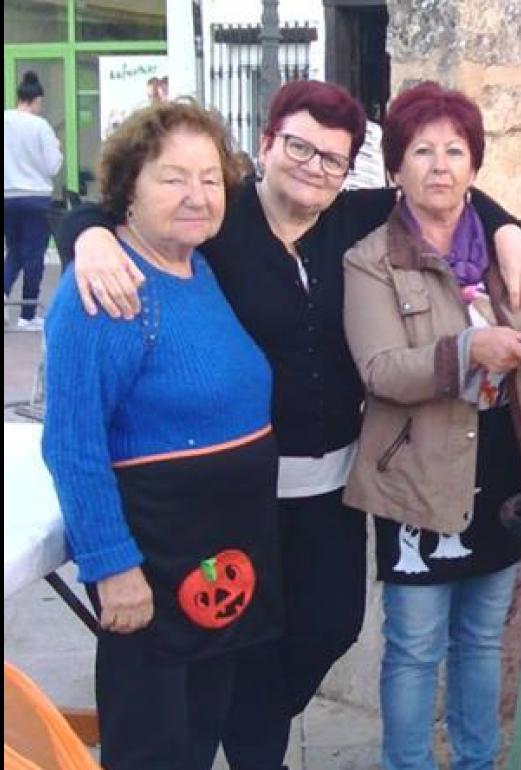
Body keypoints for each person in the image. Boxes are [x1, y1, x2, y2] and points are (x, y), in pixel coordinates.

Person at [58, 80, 521, 770]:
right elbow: (114, 208)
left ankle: (251, 724)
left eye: (333, 159)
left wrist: (509, 230)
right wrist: (90, 239)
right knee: (237, 642)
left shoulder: (350, 219)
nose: (313, 167)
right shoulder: (217, 225)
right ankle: (257, 749)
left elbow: (444, 186)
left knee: (330, 625)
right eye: (299, 147)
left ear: (350, 172)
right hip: (243, 495)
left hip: (331, 481)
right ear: (265, 146)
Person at [42, 100, 281, 770]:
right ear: (130, 187)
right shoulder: (109, 288)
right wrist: (112, 567)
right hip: (151, 558)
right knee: (152, 744)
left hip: (219, 549)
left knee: (199, 725)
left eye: (210, 178)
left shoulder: (198, 268)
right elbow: (72, 443)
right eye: (173, 178)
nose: (196, 196)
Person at [341, 80, 521, 770]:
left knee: (485, 637)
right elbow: (380, 369)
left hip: (499, 465)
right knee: (415, 645)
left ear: (475, 165)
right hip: (416, 472)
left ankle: (477, 761)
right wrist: (466, 350)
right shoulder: (370, 257)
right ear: (396, 168)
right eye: (422, 151)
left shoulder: (506, 253)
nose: (440, 165)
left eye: (455, 150)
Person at [4, 71, 64, 330]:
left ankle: (5, 294)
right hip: (36, 198)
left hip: (7, 197)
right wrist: (58, 151)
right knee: (34, 256)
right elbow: (52, 167)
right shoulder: (41, 126)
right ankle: (28, 314)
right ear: (36, 100)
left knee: (15, 250)